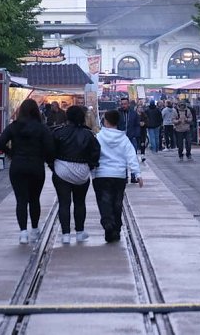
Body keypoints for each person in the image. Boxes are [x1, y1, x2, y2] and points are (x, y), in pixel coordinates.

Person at [0, 98, 55, 244]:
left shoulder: (14, 126)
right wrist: (46, 159)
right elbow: (50, 148)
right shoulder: (42, 128)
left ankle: (23, 232)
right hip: (36, 166)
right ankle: (34, 229)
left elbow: (0, 142)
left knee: (21, 200)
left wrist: (11, 153)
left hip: (18, 165)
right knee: (34, 199)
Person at [50, 106, 100, 244]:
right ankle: (80, 232)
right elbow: (96, 151)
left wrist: (52, 165)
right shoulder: (88, 134)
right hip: (81, 170)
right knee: (80, 202)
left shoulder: (58, 132)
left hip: (61, 169)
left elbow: (50, 150)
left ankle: (65, 234)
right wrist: (90, 165)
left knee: (64, 203)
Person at [93, 109, 143, 242]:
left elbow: (93, 154)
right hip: (119, 175)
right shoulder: (124, 139)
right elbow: (131, 156)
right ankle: (116, 228)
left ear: (105, 121)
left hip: (101, 174)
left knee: (104, 202)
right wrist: (137, 173)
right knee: (117, 202)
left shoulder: (98, 137)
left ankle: (108, 223)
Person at [116, 97, 141, 181]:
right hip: (121, 139)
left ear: (128, 104)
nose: (123, 106)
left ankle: (133, 176)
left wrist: (135, 134)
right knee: (122, 158)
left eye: (125, 104)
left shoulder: (133, 114)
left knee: (133, 157)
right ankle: (125, 176)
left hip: (131, 138)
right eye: (122, 104)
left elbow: (137, 125)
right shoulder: (118, 113)